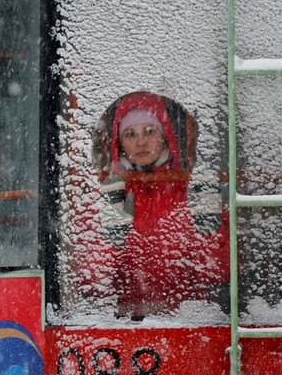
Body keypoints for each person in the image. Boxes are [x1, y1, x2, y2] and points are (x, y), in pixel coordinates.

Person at [98, 93, 228, 318]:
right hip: (124, 324)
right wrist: (113, 231)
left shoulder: (191, 188)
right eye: (130, 134)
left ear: (165, 136)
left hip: (189, 322)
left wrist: (209, 228)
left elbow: (219, 270)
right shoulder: (110, 192)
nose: (141, 142)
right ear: (119, 143)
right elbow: (92, 278)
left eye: (150, 131)